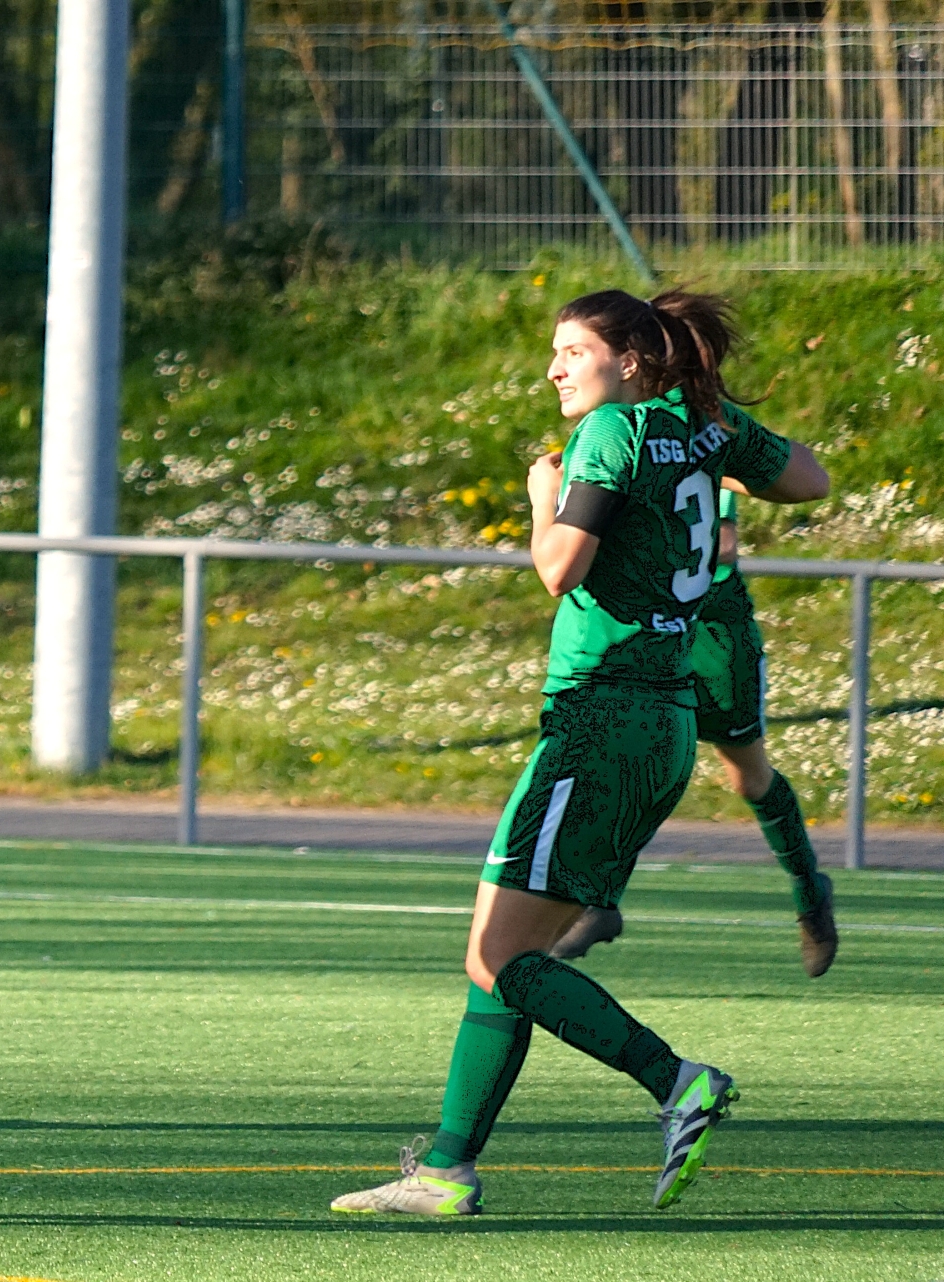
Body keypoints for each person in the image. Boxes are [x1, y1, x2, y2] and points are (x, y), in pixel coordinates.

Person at [330, 289, 830, 1217]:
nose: (555, 369)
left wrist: (540, 500)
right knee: (503, 954)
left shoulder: (611, 431)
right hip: (662, 723)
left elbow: (559, 567)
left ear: (629, 360)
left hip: (598, 720)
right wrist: (719, 437)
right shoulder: (705, 423)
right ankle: (446, 1170)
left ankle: (676, 1081)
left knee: (501, 958)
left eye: (573, 351)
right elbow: (811, 480)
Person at [549, 485, 838, 976]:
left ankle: (810, 890)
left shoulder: (702, 450)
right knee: (635, 757)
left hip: (712, 633)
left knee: (749, 778)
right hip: (646, 629)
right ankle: (599, 901)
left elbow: (723, 545)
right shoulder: (609, 450)